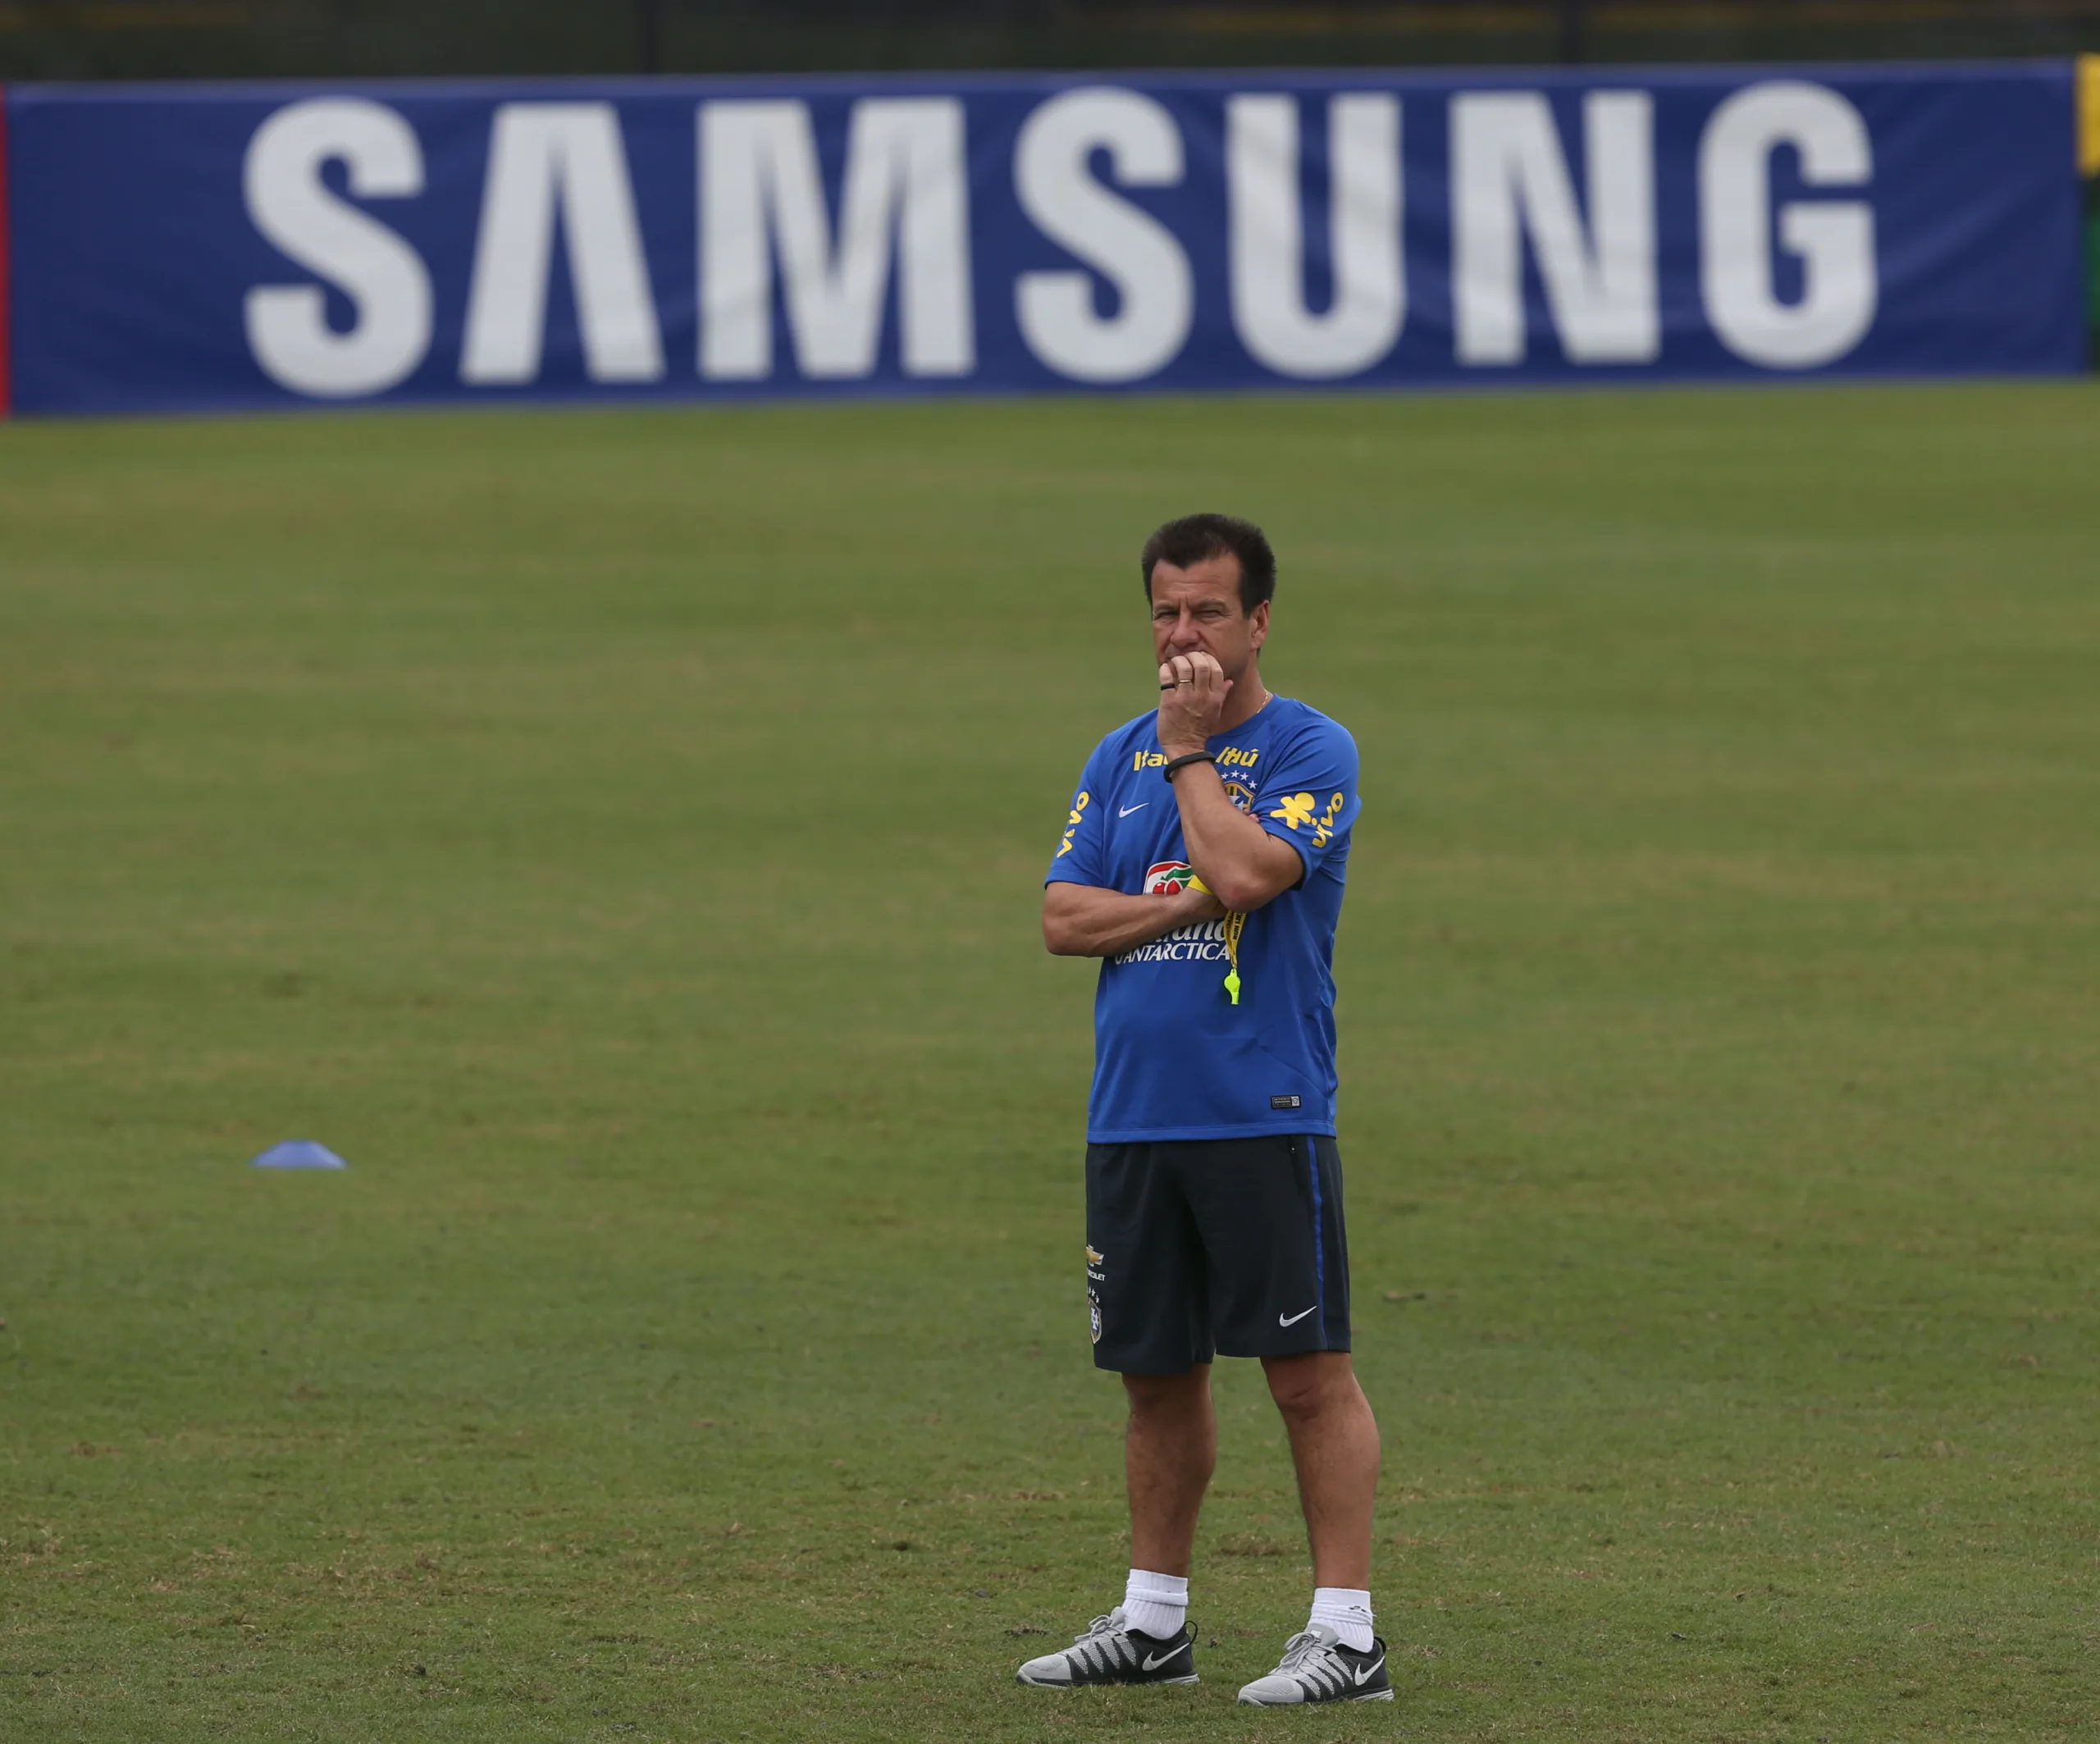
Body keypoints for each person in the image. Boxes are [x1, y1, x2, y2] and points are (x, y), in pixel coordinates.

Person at [1018, 514, 1389, 1706]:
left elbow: (1240, 875)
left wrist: (1189, 760)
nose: (1184, 637)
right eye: (1167, 614)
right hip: (1133, 1116)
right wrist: (1178, 901)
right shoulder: (1114, 752)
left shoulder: (1309, 749)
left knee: (1303, 1374)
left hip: (1261, 1108)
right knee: (1154, 1373)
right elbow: (1063, 919)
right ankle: (1153, 1620)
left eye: (1209, 614)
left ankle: (1348, 1634)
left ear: (1260, 621)